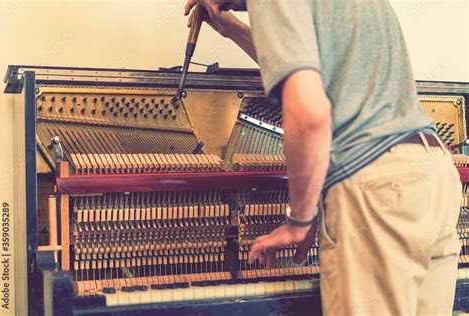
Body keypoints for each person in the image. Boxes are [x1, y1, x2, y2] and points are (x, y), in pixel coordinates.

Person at [183, 0, 462, 314]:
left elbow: (309, 115)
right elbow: (319, 70)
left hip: (379, 189)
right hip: (433, 177)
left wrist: (300, 220)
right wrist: (232, 28)